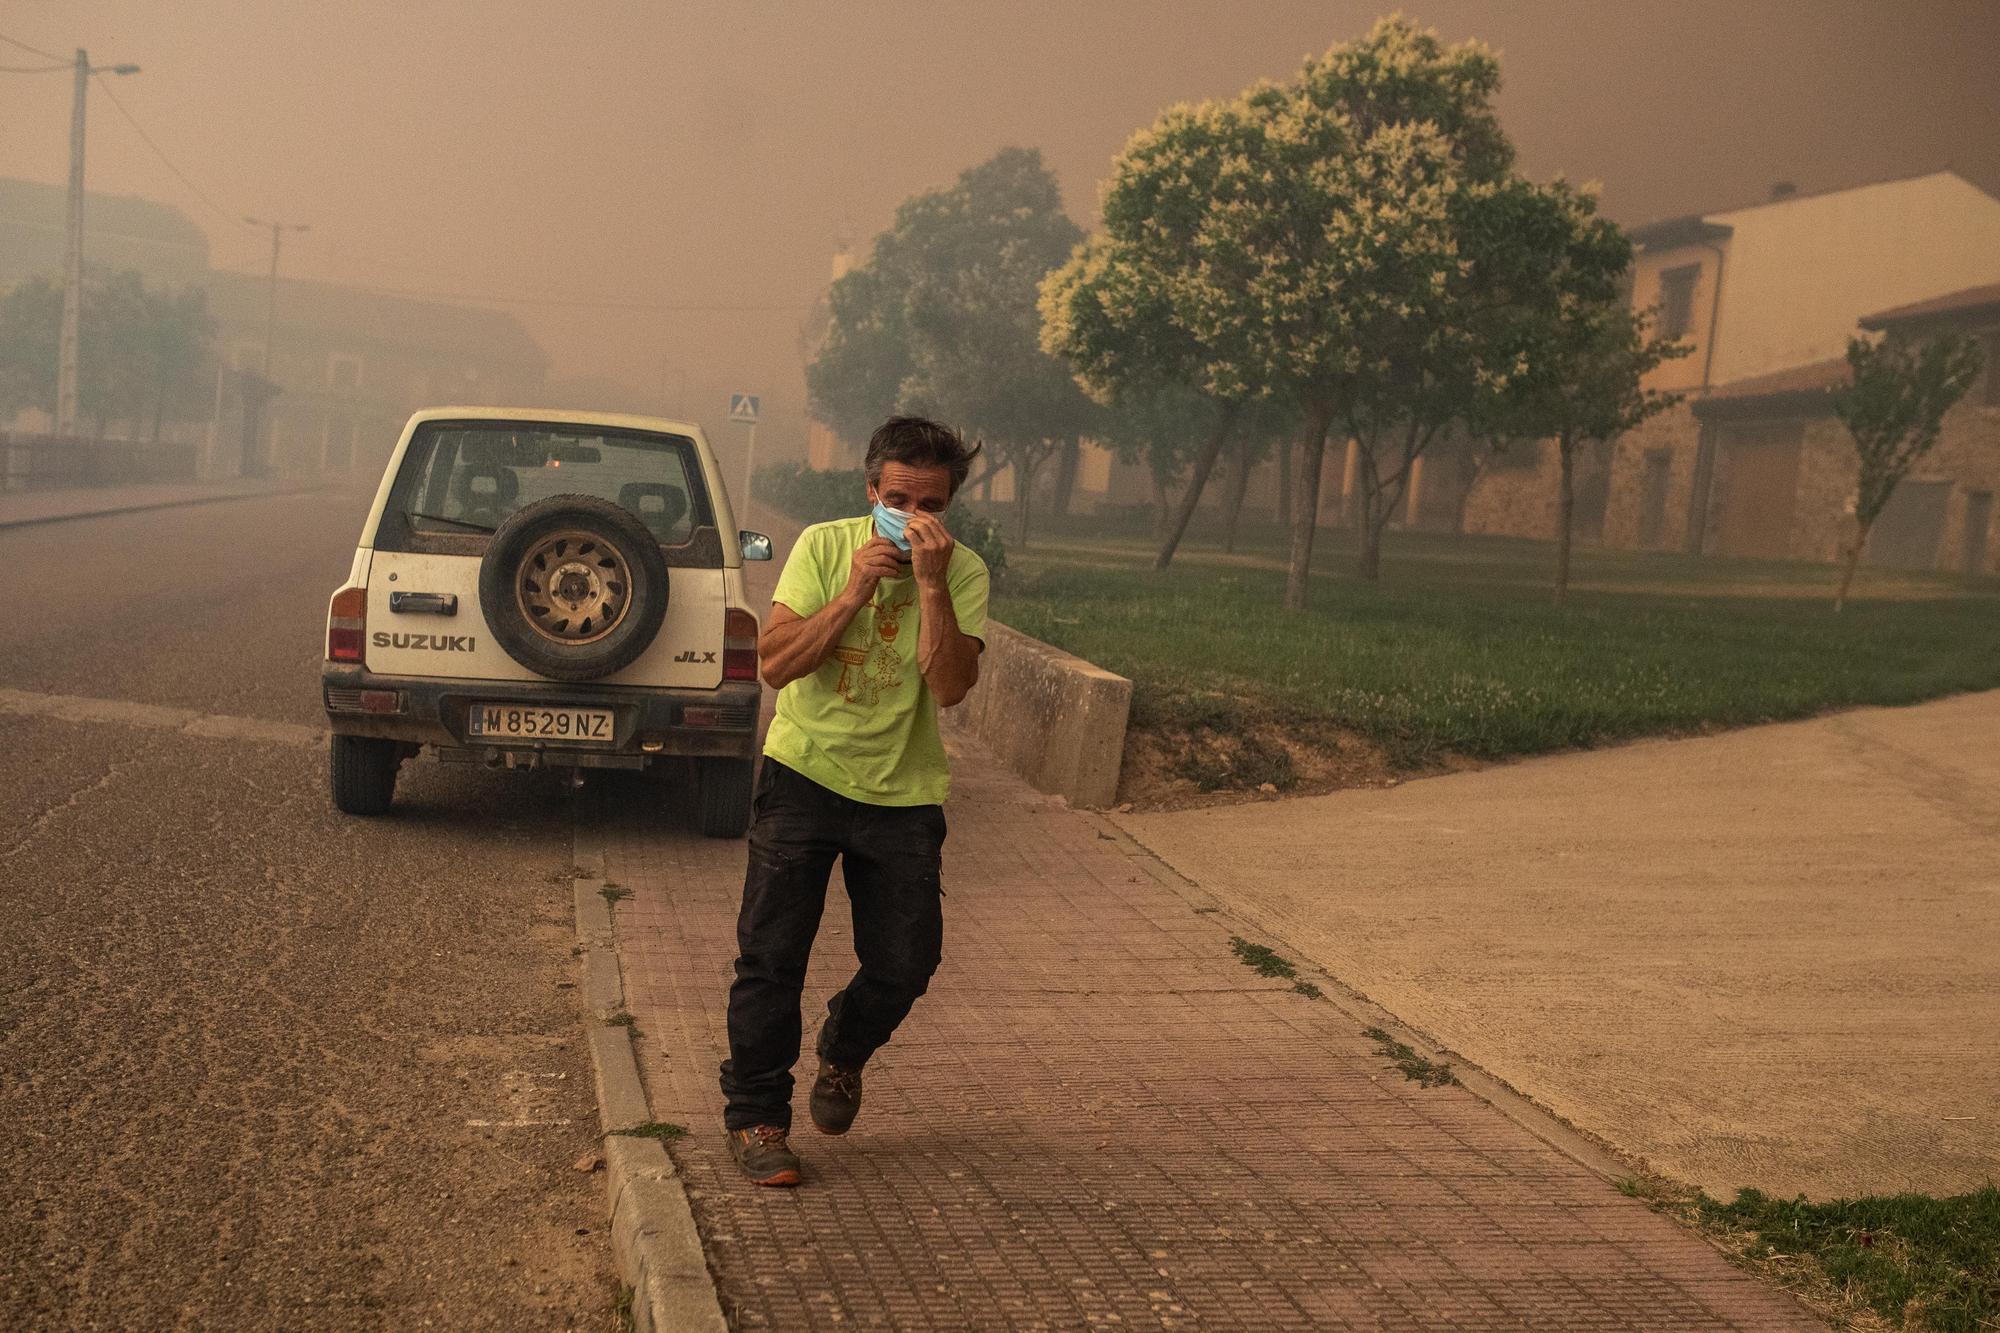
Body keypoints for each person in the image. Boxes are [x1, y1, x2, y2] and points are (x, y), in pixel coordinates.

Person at [720, 415, 988, 1186]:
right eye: (896, 497)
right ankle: (758, 1117)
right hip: (803, 773)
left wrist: (929, 584)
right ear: (871, 491)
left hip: (903, 793)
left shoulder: (962, 572)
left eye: (928, 504)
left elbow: (950, 687)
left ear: (947, 509)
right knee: (771, 956)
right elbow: (775, 664)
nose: (910, 516)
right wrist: (855, 590)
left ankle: (843, 1050)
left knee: (907, 961)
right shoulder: (823, 545)